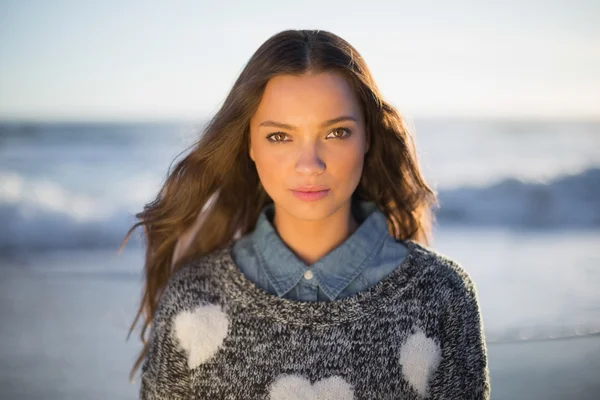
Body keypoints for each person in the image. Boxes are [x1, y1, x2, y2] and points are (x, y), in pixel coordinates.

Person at [121, 29, 490, 399]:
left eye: (337, 133)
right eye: (280, 136)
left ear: (368, 138)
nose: (310, 165)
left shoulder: (441, 294)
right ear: (249, 143)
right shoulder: (193, 296)